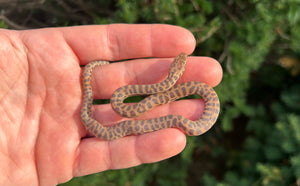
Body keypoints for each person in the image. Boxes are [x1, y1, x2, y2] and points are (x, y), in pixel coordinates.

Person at [0, 24, 222, 186]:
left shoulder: (170, 87)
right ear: (177, 71)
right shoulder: (124, 98)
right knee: (121, 106)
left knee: (162, 119)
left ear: (176, 71)